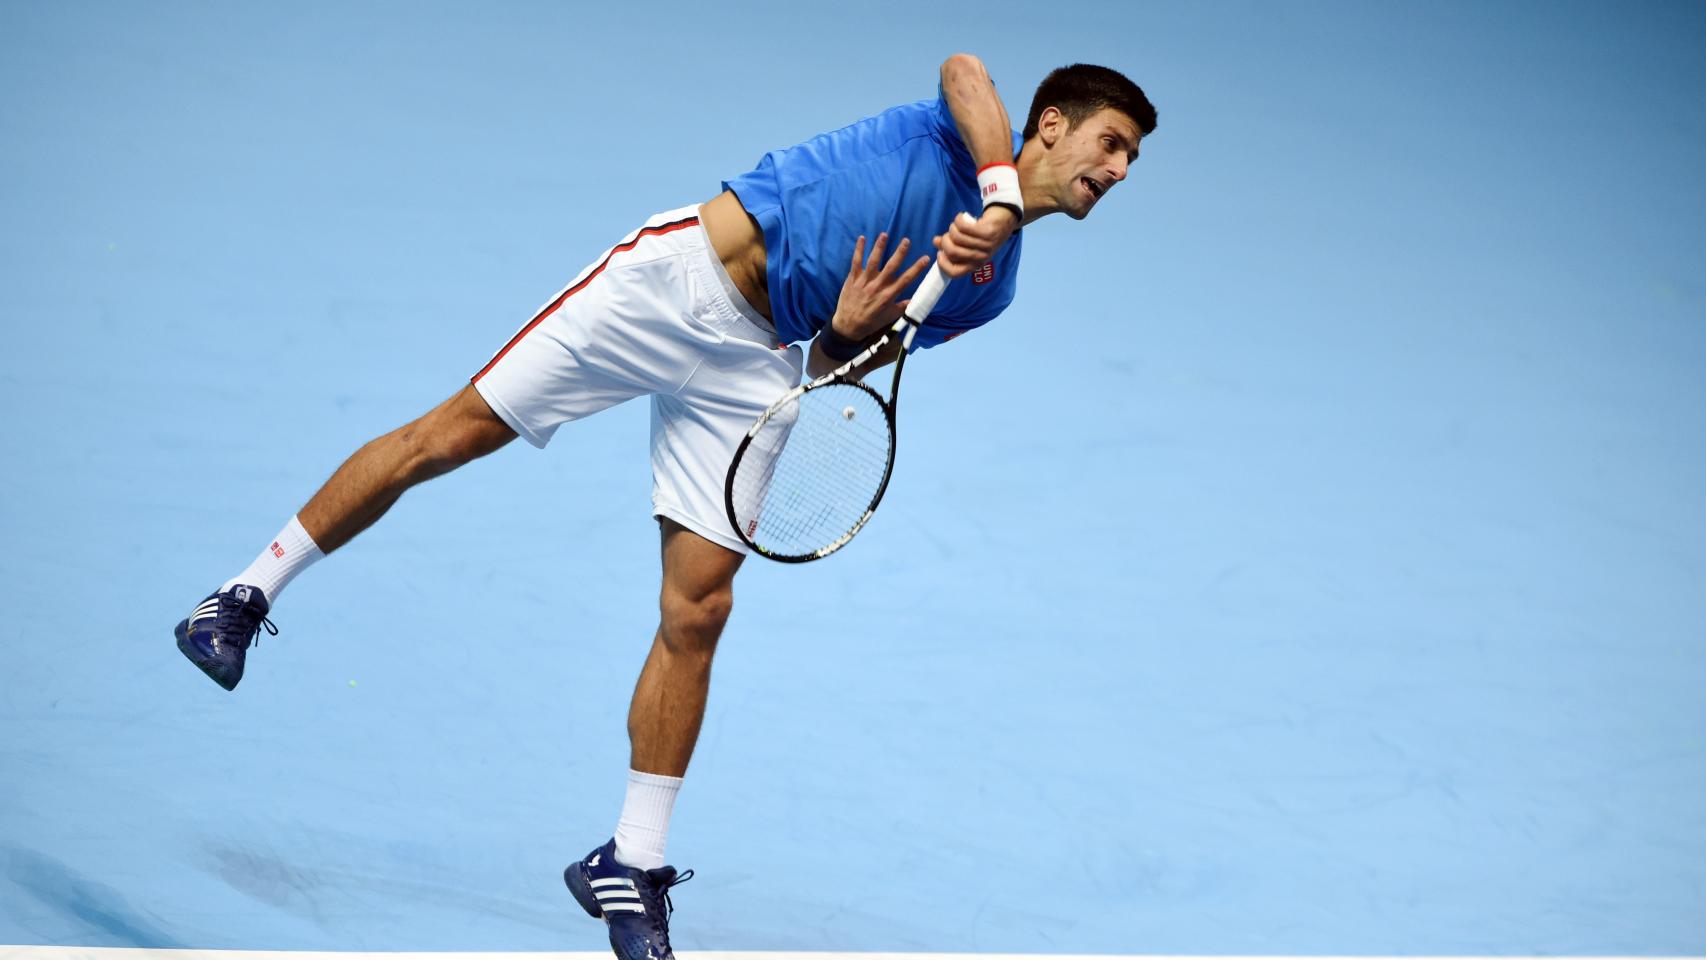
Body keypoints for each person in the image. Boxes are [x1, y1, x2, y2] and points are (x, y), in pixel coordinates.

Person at [173, 54, 1155, 959]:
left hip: (761, 364)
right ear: (1050, 125)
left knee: (700, 606)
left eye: (1130, 160)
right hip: (672, 282)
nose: (1115, 170)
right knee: (451, 436)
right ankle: (243, 596)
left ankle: (628, 861)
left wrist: (850, 331)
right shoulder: (957, 132)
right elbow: (964, 68)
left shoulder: (990, 290)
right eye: (1109, 143)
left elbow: (843, 369)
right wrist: (990, 187)